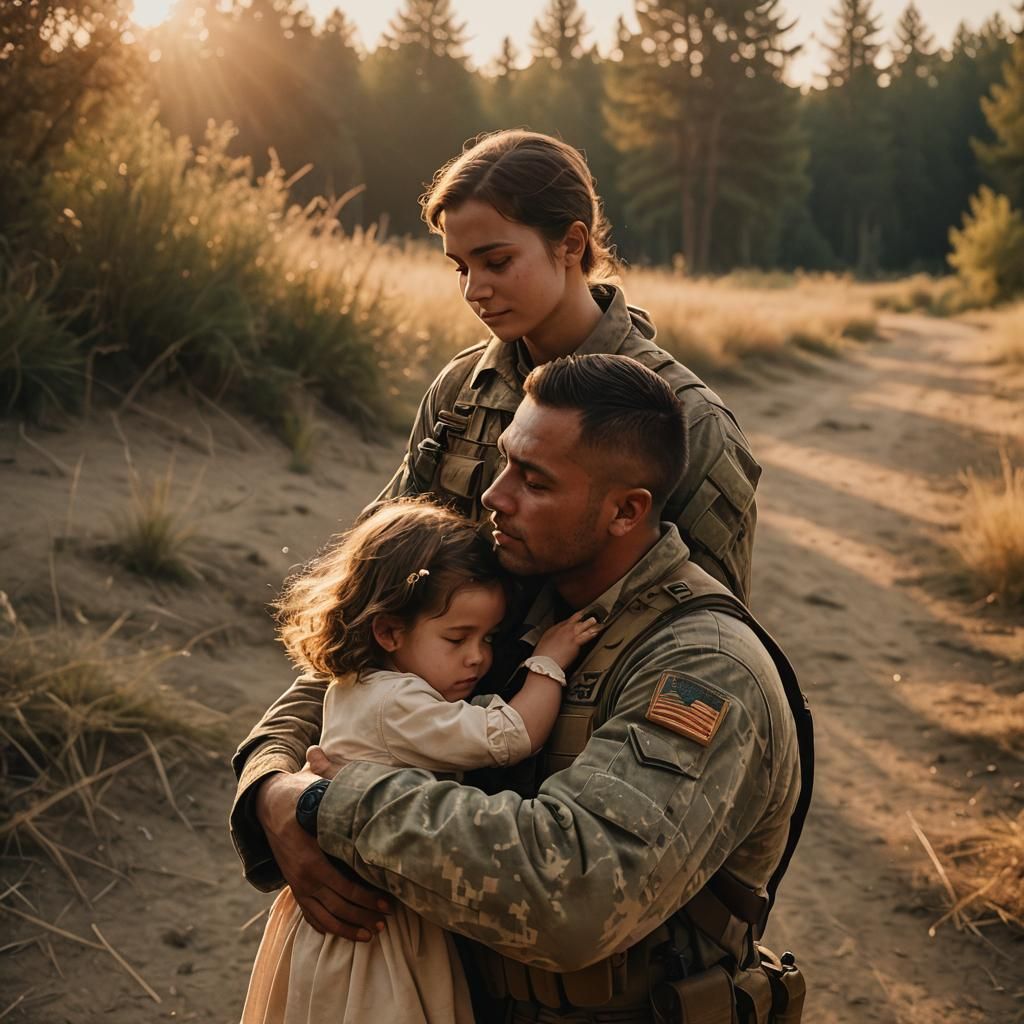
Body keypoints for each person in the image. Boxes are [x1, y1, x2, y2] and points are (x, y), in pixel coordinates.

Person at [231, 129, 762, 940]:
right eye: (459, 267)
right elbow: (370, 613)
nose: (475, 289)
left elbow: (699, 656)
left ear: (571, 245)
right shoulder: (460, 397)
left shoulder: (685, 430)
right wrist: (269, 783)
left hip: (564, 831)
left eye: (496, 259)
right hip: (416, 810)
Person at [240, 355, 807, 1023]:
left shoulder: (706, 669)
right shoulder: (512, 602)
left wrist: (333, 805)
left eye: (533, 481)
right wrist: (269, 785)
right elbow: (351, 670)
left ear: (626, 511)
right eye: (506, 461)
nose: (494, 495)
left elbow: (573, 893)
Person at [240, 498, 602, 1024]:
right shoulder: (397, 704)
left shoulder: (365, 686)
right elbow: (510, 734)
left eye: (488, 639)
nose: (478, 657)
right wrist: (548, 662)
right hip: (377, 931)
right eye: (457, 638)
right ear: (388, 632)